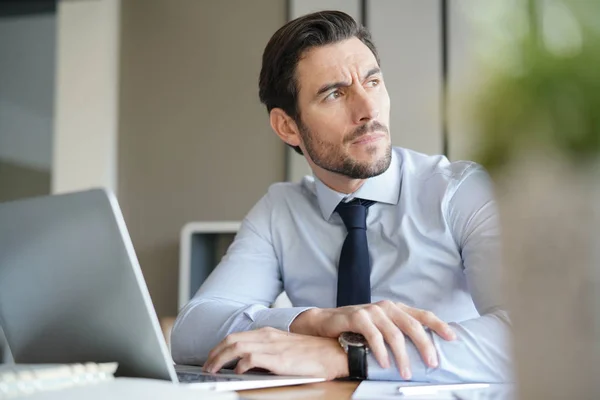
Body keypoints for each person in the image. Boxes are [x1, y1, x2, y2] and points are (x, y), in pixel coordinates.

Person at [171, 10, 511, 383]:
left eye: (373, 81)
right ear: (288, 127)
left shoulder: (459, 191)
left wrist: (347, 356)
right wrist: (313, 321)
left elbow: (522, 339)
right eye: (334, 94)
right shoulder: (280, 211)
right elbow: (191, 330)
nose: (368, 110)